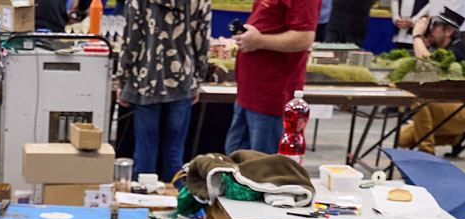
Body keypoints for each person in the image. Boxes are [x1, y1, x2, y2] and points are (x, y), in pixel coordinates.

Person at [117, 0, 211, 183]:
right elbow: (202, 40)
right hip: (182, 80)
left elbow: (131, 40)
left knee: (145, 150)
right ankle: (175, 197)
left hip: (147, 80)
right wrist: (198, 78)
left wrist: (123, 78)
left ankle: (142, 198)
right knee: (174, 152)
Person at [226, 0, 320, 154]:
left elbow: (304, 38)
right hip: (249, 91)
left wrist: (259, 41)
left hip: (272, 95)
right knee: (236, 158)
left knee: (264, 163)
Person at [396, 7, 465, 154]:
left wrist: (417, 36)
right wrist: (425, 43)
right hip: (443, 106)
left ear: (449, 31)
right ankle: (455, 138)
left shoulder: (456, 51)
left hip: (462, 111)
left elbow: (428, 67)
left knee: (416, 98)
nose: (430, 30)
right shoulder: (441, 49)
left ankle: (426, 152)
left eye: (434, 26)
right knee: (401, 139)